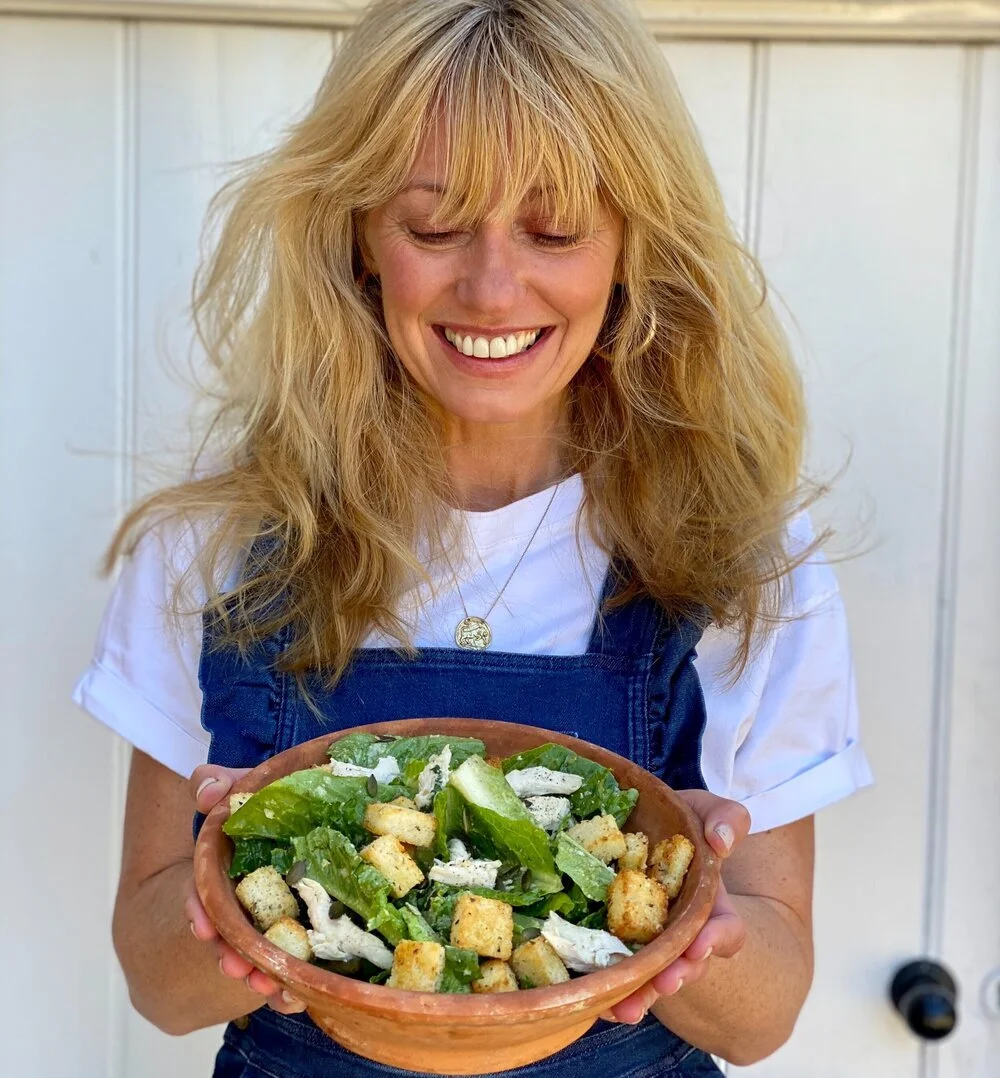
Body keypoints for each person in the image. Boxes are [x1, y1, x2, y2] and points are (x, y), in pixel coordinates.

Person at [73, 0, 872, 1074]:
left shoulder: (743, 555)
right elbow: (153, 981)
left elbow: (764, 1015)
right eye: (434, 225)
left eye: (553, 230)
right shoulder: (215, 548)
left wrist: (696, 922)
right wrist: (244, 874)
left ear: (633, 244)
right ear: (357, 237)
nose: (493, 287)